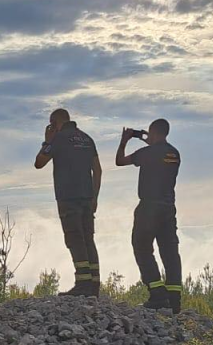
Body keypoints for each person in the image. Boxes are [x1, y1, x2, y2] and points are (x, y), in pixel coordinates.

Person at [115, 119, 182, 313]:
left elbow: (120, 161)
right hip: (169, 208)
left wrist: (125, 140)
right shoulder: (174, 153)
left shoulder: (146, 153)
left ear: (152, 132)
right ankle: (174, 300)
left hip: (148, 208)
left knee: (142, 248)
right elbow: (158, 153)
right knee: (170, 252)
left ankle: (157, 293)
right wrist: (149, 141)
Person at [34, 109, 102, 296]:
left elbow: (39, 162)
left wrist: (47, 141)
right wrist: (95, 197)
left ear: (55, 123)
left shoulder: (58, 139)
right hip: (87, 197)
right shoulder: (87, 139)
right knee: (88, 238)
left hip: (68, 197)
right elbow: (98, 170)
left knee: (74, 238)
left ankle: (82, 284)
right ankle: (94, 284)